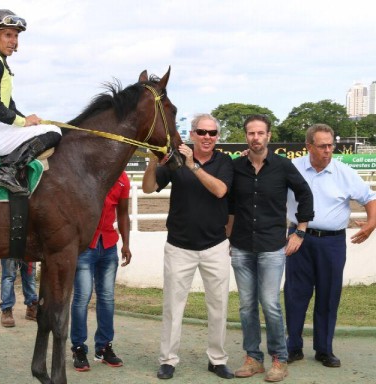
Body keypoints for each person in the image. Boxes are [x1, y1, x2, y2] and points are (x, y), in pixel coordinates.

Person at [142, 114, 235, 380]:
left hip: (215, 246)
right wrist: (151, 162)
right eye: (202, 132)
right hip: (179, 247)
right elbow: (149, 188)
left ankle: (217, 360)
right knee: (173, 306)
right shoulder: (174, 160)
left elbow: (219, 191)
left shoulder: (224, 161)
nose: (207, 137)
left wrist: (193, 165)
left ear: (217, 137)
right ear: (192, 134)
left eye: (212, 133)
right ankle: (168, 359)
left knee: (218, 306)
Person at [228, 114, 314, 382]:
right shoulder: (236, 167)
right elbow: (227, 202)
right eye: (251, 133)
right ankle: (253, 358)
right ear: (246, 137)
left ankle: (279, 358)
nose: (256, 138)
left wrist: (300, 231)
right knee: (246, 306)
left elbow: (305, 194)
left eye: (260, 133)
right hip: (241, 247)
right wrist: (228, 237)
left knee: (270, 304)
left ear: (268, 136)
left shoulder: (282, 166)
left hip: (271, 247)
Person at [284, 123, 376, 368]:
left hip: (333, 243)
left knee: (328, 295)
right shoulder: (292, 168)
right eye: (322, 145)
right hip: (298, 239)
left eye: (331, 145)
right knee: (295, 295)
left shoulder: (344, 172)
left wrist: (371, 223)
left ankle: (324, 349)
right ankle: (292, 347)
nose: (328, 150)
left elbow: (370, 198)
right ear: (308, 146)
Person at [0, 9, 61, 195]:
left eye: (16, 36)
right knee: (54, 132)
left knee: (46, 129)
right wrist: (23, 122)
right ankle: (6, 170)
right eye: (8, 35)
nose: (14, 41)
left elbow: (9, 107)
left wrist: (27, 121)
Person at [70, 171, 132, 372]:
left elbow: (123, 213)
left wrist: (126, 244)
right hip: (85, 246)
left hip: (108, 246)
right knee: (82, 298)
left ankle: (104, 347)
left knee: (107, 298)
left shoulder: (123, 179)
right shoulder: (86, 173)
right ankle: (78, 348)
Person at [0, 259, 38, 327]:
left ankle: (32, 306)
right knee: (8, 276)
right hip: (10, 249)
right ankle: (7, 309)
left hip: (30, 250)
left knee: (30, 276)